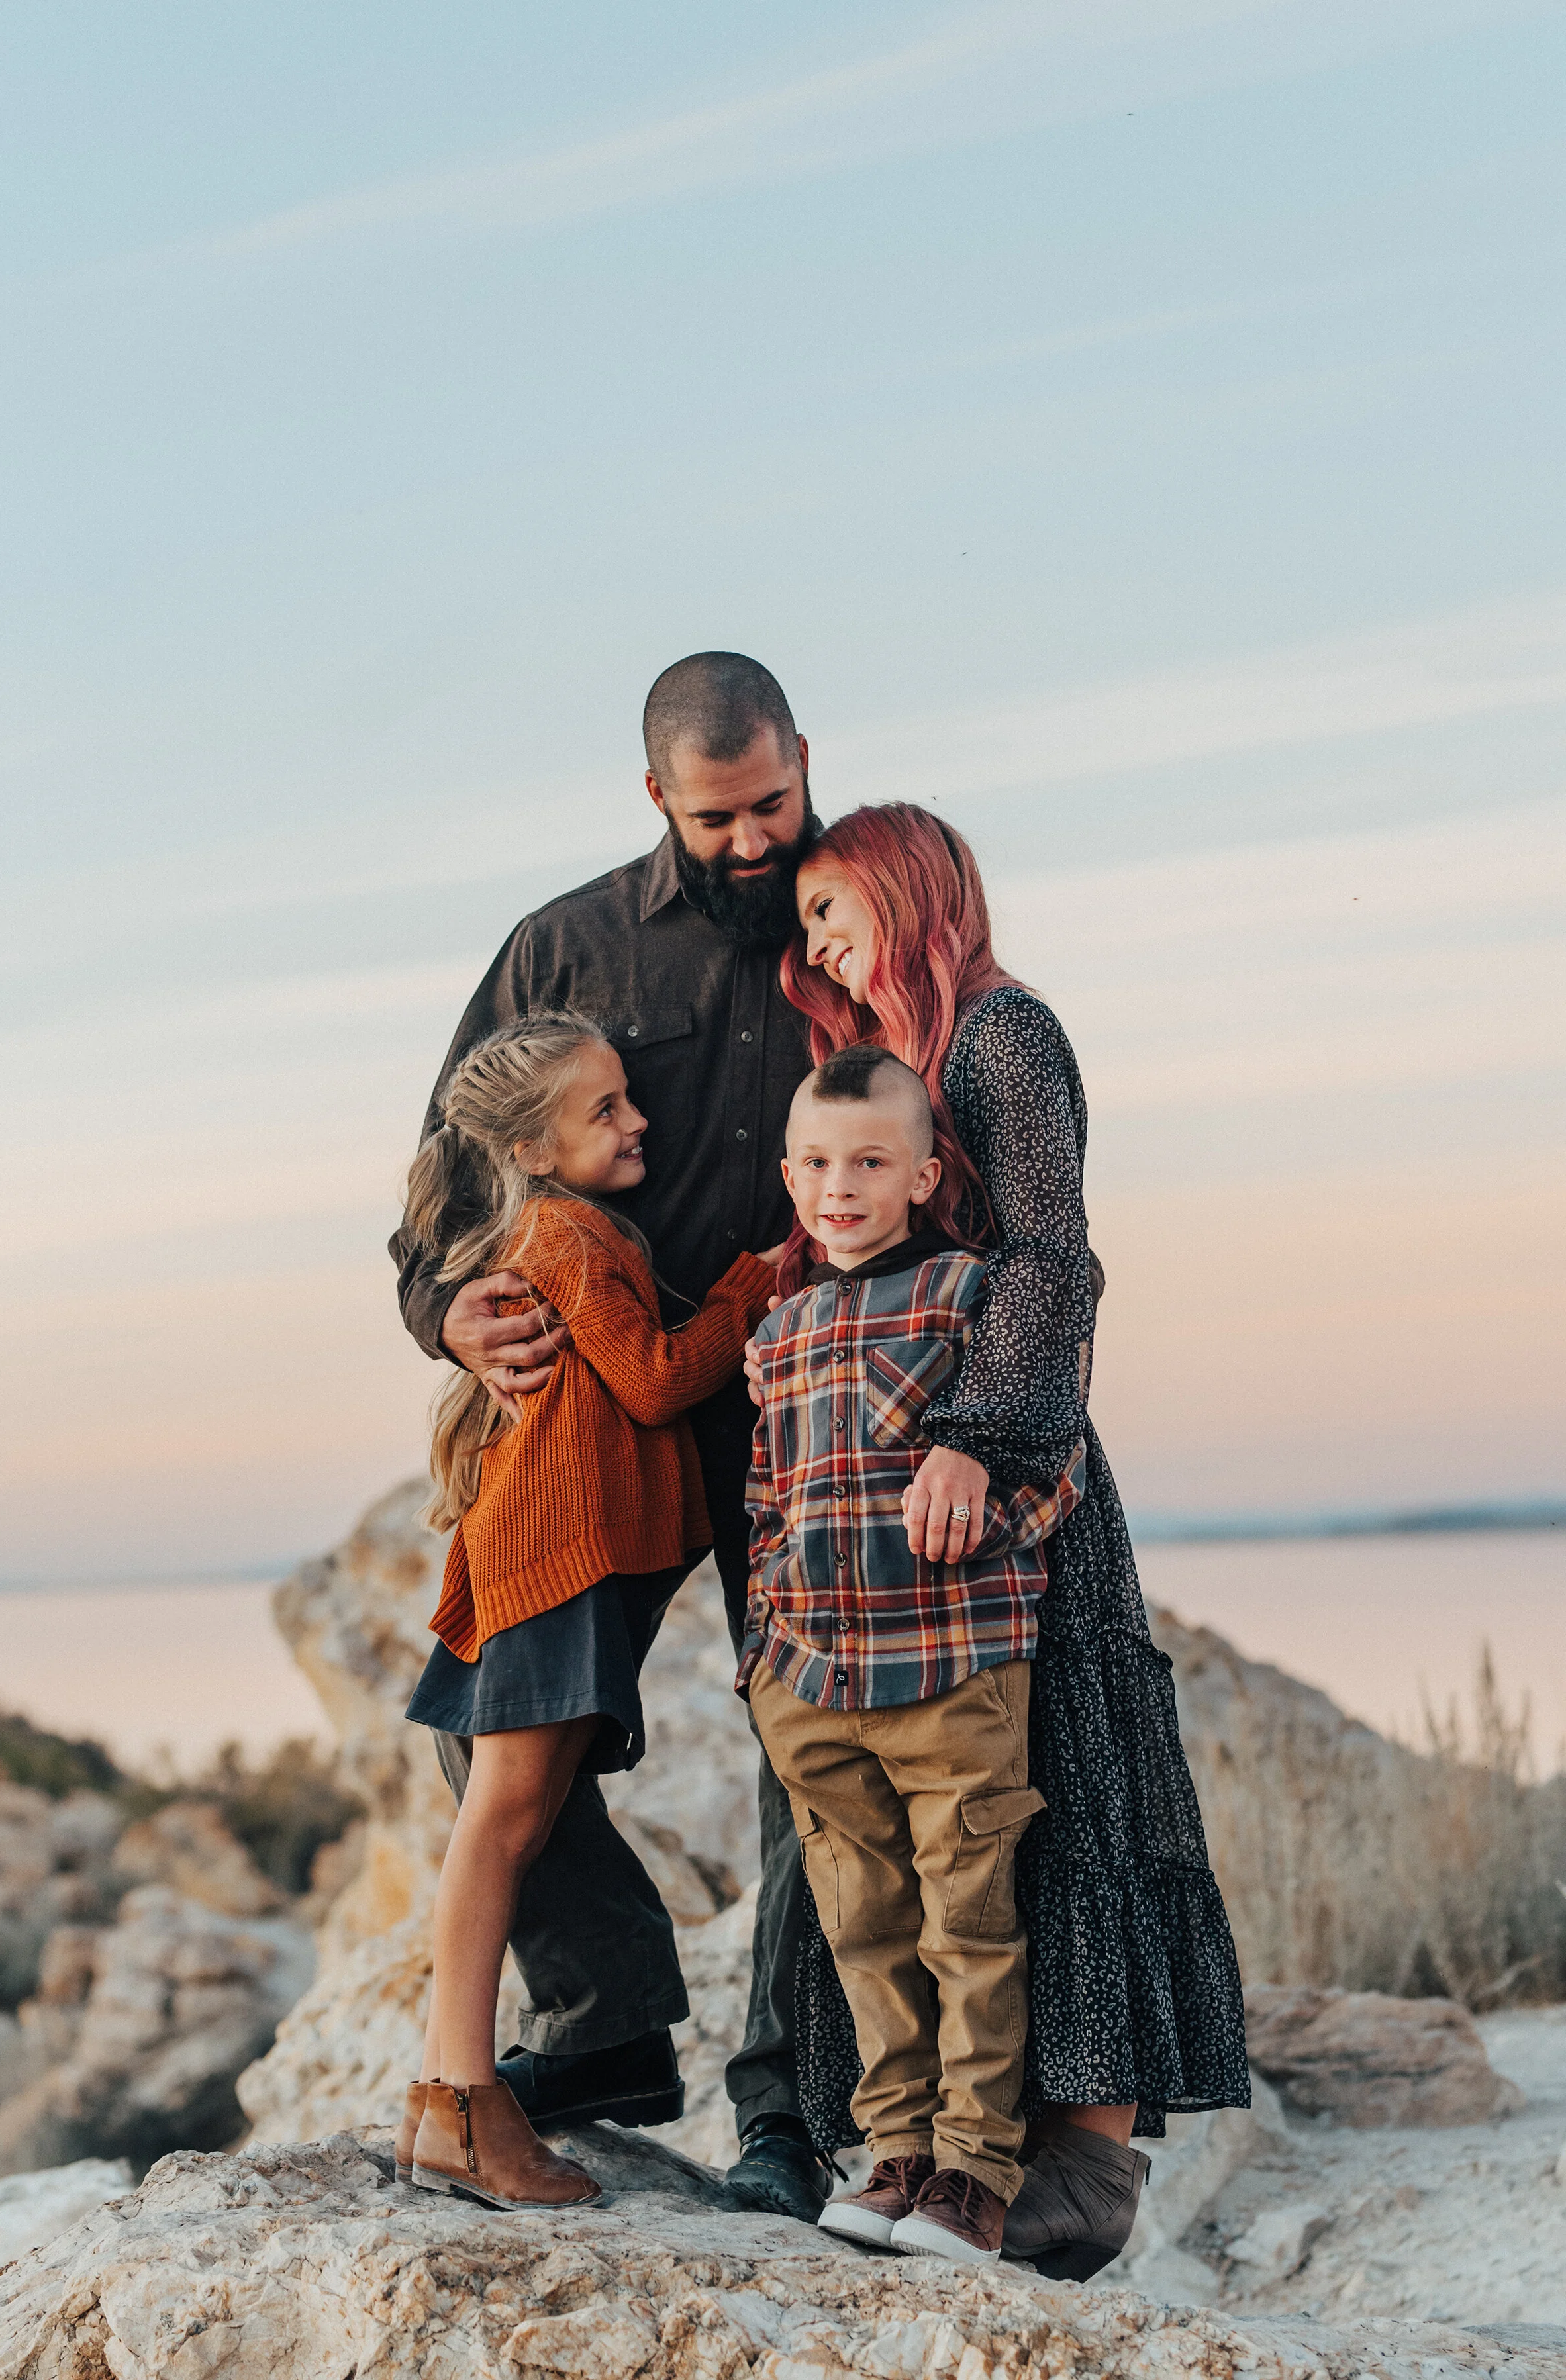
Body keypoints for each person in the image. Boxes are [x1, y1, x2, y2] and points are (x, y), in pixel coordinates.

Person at [755, 801, 1250, 2275]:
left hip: (1004, 1469)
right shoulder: (913, 1060)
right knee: (941, 1864)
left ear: (906, 888)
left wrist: (982, 1435)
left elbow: (1052, 1255)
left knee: (1061, 1810)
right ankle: (942, 2153)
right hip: (913, 1507)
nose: (817, 944)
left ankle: (1081, 2175)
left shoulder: (1001, 1034)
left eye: (833, 908)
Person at [390, 652, 832, 2218]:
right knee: (494, 1745)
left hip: (804, 1414)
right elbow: (444, 1184)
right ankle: (606, 2026)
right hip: (612, 1419)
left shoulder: (857, 921)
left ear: (805, 759)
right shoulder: (562, 949)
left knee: (814, 1747)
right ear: (658, 796)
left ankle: (791, 2116)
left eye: (773, 801)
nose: (754, 840)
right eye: (718, 817)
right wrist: (447, 1311)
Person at [393, 1012, 780, 2209]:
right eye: (605, 1108)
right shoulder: (564, 1233)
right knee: (505, 1821)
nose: (638, 1120)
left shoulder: (573, 1224)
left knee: (523, 1812)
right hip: (553, 1559)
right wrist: (754, 1286)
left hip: (559, 1556)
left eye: (629, 1097)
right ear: (535, 1149)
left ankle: (477, 2095)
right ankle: (458, 2104)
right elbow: (657, 1379)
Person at [740, 1046, 1089, 2267]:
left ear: (925, 1176)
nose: (842, 1186)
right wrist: (763, 1660)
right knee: (865, 1928)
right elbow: (766, 1507)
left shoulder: (969, 1296)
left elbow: (1054, 1464)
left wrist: (982, 1536)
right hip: (815, 1685)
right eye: (820, 1163)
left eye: (872, 1162)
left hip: (953, 1669)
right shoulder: (775, 1335)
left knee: (970, 1922)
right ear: (792, 1177)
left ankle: (975, 2171)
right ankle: (895, 2154)